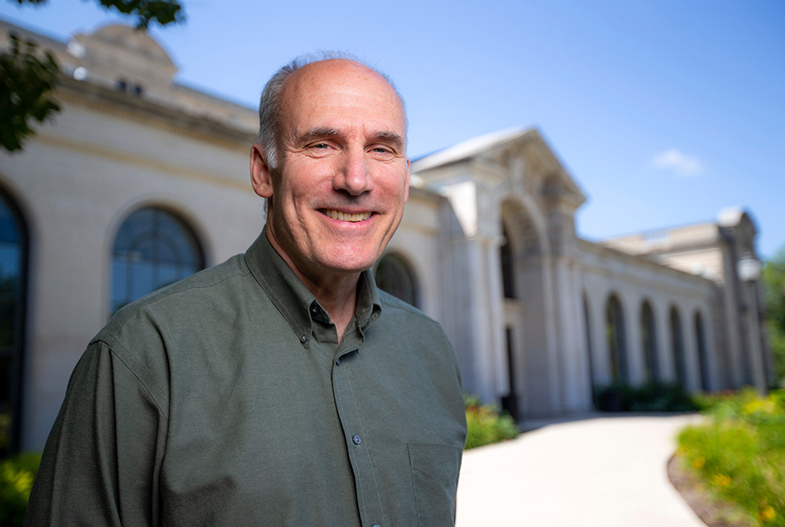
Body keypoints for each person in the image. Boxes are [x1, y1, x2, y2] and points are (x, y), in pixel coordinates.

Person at [25, 54, 467, 526]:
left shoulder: (431, 350)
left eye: (382, 149)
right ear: (262, 171)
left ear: (403, 174)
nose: (355, 180)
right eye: (321, 145)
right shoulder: (145, 353)